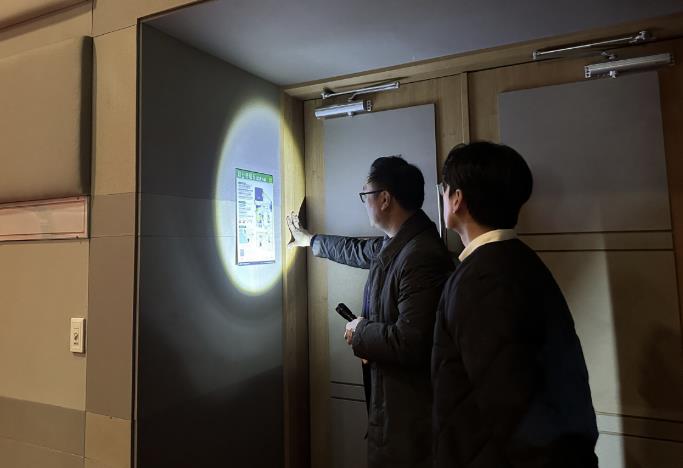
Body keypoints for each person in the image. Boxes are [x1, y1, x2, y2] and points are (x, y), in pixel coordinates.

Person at [432, 141, 599, 468]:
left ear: (457, 199)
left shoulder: (483, 279)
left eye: (444, 189)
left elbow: (510, 404)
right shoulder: (518, 260)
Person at [287, 156, 453, 468]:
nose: (365, 203)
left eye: (366, 195)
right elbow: (356, 250)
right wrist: (311, 241)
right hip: (396, 407)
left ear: (385, 199)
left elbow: (412, 341)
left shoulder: (420, 255)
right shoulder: (400, 243)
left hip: (409, 416)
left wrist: (361, 332)